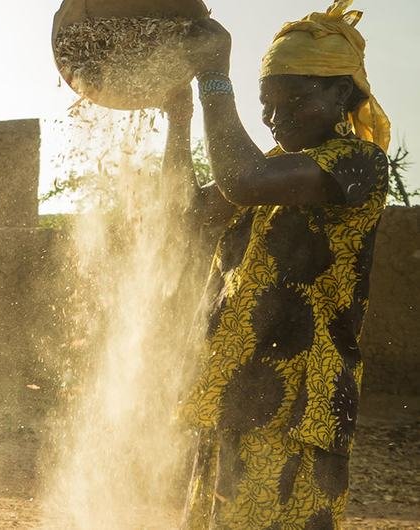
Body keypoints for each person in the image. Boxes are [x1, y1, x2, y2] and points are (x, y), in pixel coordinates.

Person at [163, 1, 392, 528]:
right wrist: (177, 119)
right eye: (268, 104)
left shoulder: (358, 164)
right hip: (236, 391)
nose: (276, 117)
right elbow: (187, 213)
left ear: (341, 93)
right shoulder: (270, 169)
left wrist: (214, 78)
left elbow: (241, 182)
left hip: (298, 403)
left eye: (295, 100)